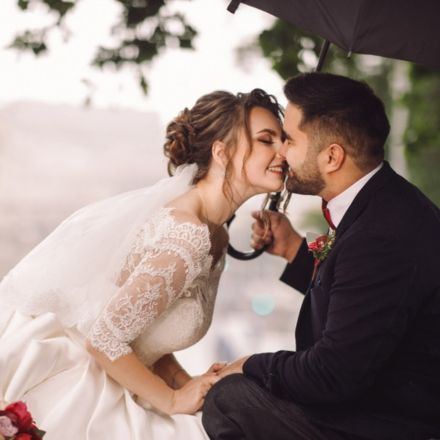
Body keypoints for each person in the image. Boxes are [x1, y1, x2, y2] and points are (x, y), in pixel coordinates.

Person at [0, 88, 286, 440]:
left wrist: (188, 382)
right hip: (82, 389)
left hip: (126, 377)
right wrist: (171, 398)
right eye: (266, 140)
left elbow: (145, 332)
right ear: (221, 152)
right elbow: (104, 338)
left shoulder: (215, 235)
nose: (282, 151)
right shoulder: (187, 236)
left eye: (283, 140)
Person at [202, 73, 440, 440]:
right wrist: (294, 249)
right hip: (372, 399)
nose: (280, 152)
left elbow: (332, 375)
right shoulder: (378, 202)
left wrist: (248, 365)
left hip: (388, 422)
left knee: (229, 399)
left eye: (290, 140)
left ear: (331, 156)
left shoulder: (383, 232)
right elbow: (357, 297)